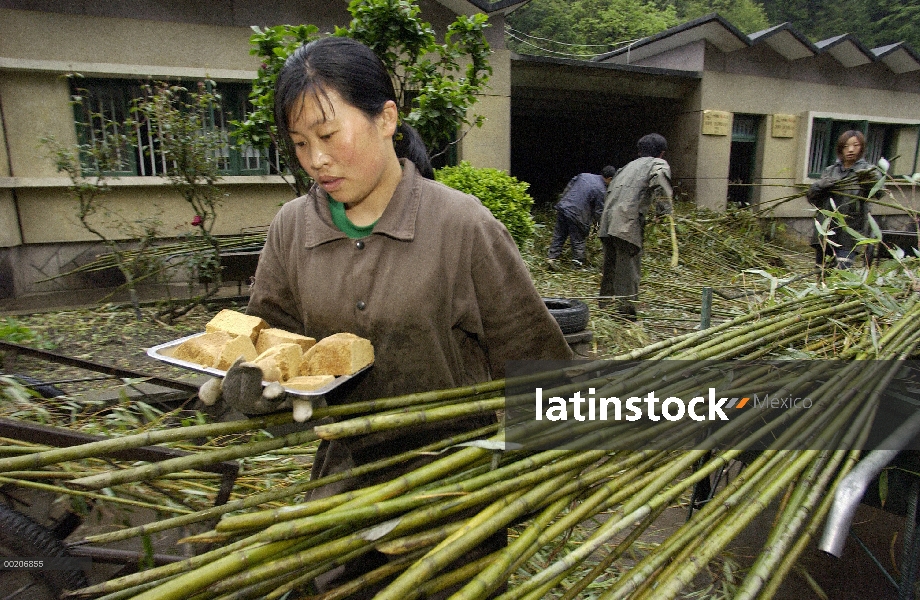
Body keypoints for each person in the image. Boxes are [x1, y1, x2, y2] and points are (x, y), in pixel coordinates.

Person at [214, 36, 573, 597]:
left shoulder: (461, 227)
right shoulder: (291, 228)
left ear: (387, 119)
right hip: (345, 489)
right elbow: (271, 343)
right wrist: (251, 387)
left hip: (450, 497)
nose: (317, 160)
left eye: (330, 136)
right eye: (301, 143)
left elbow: (540, 367)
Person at [597, 133, 673, 319]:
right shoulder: (657, 164)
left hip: (608, 222)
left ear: (639, 151)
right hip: (626, 223)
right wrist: (663, 212)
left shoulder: (626, 167)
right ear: (661, 153)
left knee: (611, 267)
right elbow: (661, 182)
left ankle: (604, 307)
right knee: (628, 270)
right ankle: (625, 313)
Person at [806, 130, 881, 269]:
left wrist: (870, 181)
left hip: (850, 230)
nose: (851, 149)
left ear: (862, 147)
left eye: (855, 145)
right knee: (821, 272)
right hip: (826, 229)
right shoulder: (830, 171)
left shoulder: (869, 171)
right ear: (840, 148)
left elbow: (879, 193)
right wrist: (817, 187)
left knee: (841, 272)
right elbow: (813, 200)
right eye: (846, 146)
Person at [546, 166, 617, 270]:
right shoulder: (601, 190)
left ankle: (551, 258)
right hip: (577, 214)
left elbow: (569, 186)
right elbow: (599, 212)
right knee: (578, 240)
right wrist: (600, 227)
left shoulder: (584, 175)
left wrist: (562, 201)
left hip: (564, 207)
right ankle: (577, 265)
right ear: (610, 179)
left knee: (559, 235)